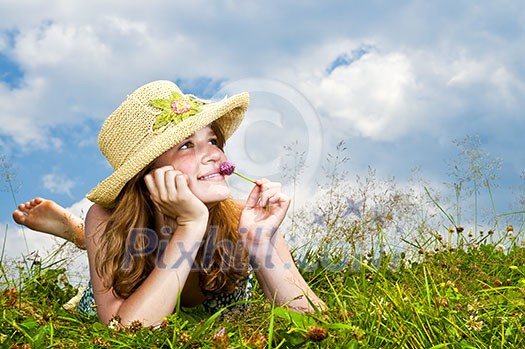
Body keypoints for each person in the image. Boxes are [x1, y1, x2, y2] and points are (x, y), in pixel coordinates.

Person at [12, 80, 325, 327]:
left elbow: (316, 325)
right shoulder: (108, 220)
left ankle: (82, 238)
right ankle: (83, 235)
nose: (214, 155)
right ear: (147, 175)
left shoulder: (246, 218)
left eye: (213, 141)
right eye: (187, 146)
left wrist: (260, 244)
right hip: (124, 247)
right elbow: (125, 329)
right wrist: (190, 226)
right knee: (91, 291)